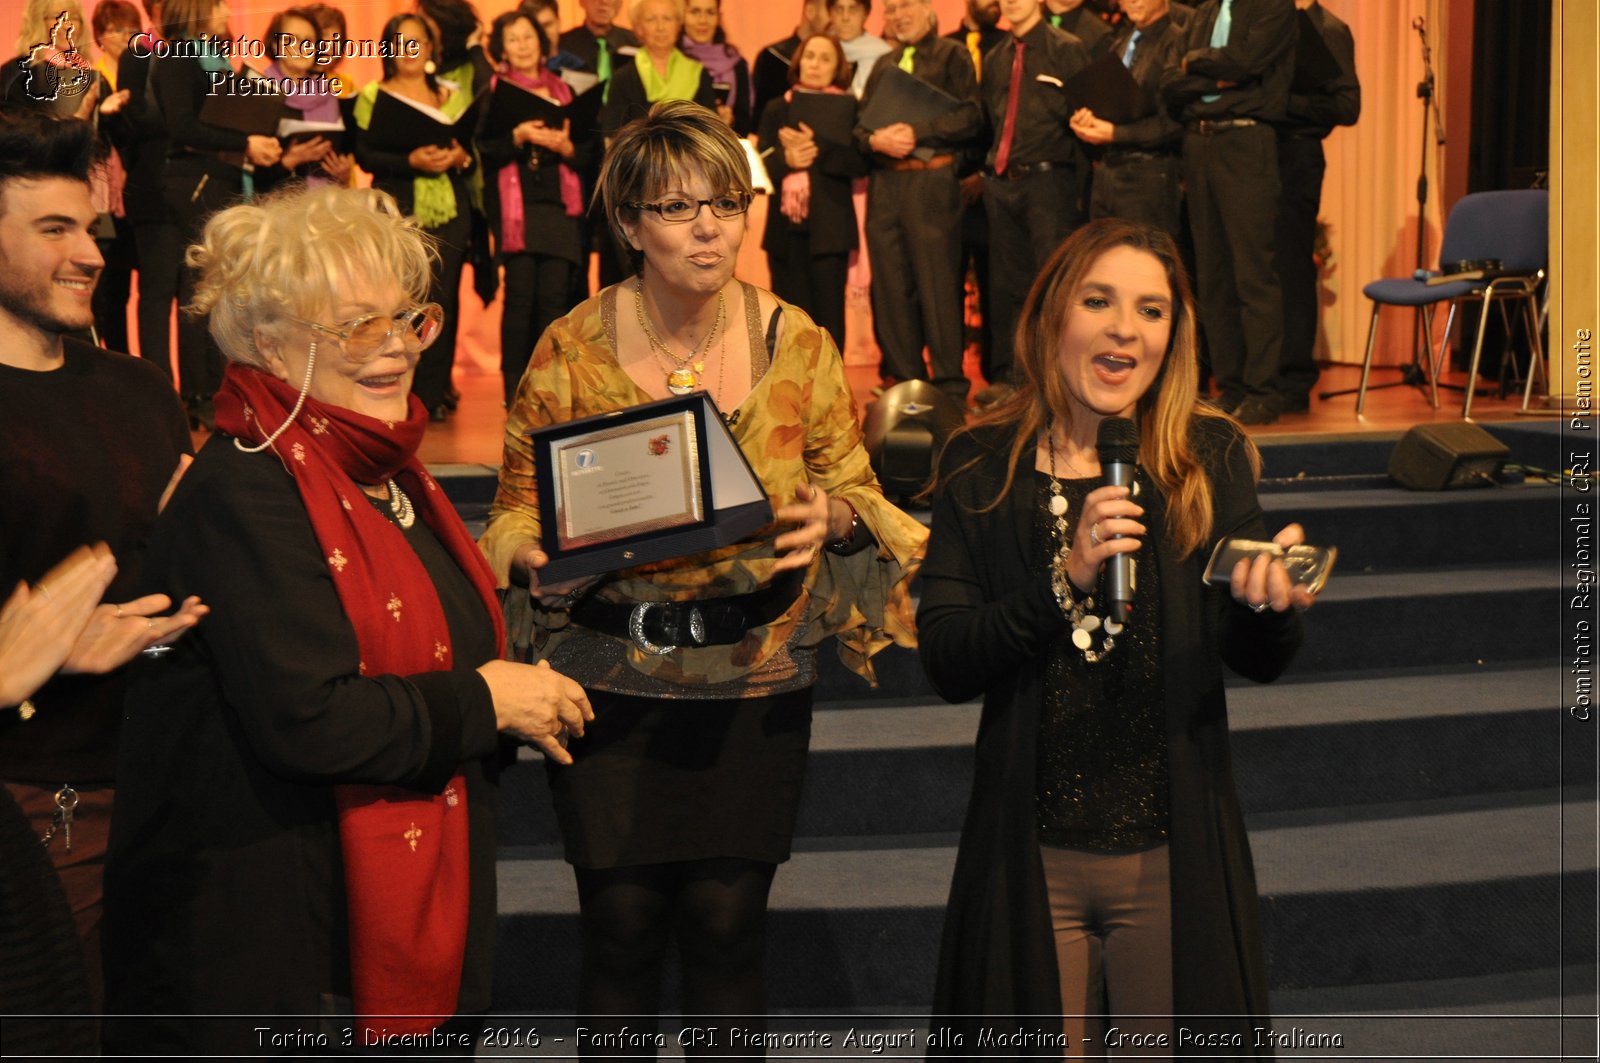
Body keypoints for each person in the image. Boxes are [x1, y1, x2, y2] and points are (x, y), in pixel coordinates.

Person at [100, 185, 593, 1055]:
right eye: (358, 325)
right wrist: (488, 702)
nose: (398, 347)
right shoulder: (246, 488)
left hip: (385, 920)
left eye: (408, 318)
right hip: (281, 954)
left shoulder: (387, 472)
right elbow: (312, 722)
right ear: (264, 339)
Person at [479, 99, 925, 1043]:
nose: (710, 227)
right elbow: (515, 505)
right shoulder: (569, 345)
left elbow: (854, 483)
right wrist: (530, 555)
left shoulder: (795, 338)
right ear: (630, 224)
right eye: (679, 209)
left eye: (726, 201)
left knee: (728, 931)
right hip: (606, 671)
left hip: (753, 668)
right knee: (621, 929)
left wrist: (835, 514)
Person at [919, 217, 1317, 1054]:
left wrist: (1268, 604)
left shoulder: (1206, 455)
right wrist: (1064, 579)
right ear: (1051, 315)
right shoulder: (979, 465)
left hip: (1172, 853)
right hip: (1028, 856)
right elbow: (949, 658)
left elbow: (1256, 659)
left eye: (1151, 310)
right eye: (1099, 301)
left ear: (1174, 334)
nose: (1125, 330)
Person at [0, 108, 202, 1017]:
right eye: (54, 229)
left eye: (92, 226)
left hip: (176, 795)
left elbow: (176, 571)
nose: (90, 252)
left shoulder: (138, 387)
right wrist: (23, 662)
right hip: (35, 810)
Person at [150, 0, 296, 428]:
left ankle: (222, 390)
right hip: (195, 184)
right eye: (217, 4)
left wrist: (255, 136)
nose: (226, 11)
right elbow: (183, 126)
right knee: (201, 292)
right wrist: (244, 141)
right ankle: (200, 395)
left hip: (225, 180)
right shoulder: (177, 54)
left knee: (223, 292)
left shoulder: (216, 57)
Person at [1160, 0, 1297, 425]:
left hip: (1246, 141)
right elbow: (1168, 83)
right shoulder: (1204, 11)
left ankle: (1262, 391)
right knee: (1213, 274)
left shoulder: (1272, 7)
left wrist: (1194, 63)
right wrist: (1200, 72)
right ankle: (1231, 386)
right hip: (1199, 144)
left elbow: (1244, 62)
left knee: (1252, 273)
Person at [854, 0, 982, 406]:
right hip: (886, 183)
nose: (898, 16)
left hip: (932, 182)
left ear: (928, 10)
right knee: (891, 286)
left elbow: (971, 116)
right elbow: (859, 127)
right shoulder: (884, 63)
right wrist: (875, 140)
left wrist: (915, 130)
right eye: (890, 10)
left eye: (905, 6)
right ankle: (906, 378)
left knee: (938, 282)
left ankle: (949, 387)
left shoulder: (953, 54)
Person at [354, 11, 475, 424]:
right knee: (403, 301)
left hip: (451, 206)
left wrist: (460, 156)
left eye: (418, 42)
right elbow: (366, 154)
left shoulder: (449, 93)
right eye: (401, 42)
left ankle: (432, 393)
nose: (410, 51)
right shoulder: (374, 95)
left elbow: (473, 148)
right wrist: (411, 158)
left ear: (430, 49)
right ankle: (393, 388)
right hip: (400, 208)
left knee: (445, 300)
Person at [979, 0, 1092, 396]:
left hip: (1050, 180)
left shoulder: (1067, 48)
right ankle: (1021, 382)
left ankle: (1059, 381)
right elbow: (992, 119)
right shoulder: (995, 56)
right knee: (1012, 286)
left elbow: (1085, 117)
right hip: (1003, 181)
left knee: (1054, 284)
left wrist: (1081, 191)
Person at [479, 9, 589, 406]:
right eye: (513, 39)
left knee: (556, 298)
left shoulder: (564, 90)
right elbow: (484, 149)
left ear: (541, 43)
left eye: (528, 37)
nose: (523, 45)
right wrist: (516, 135)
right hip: (516, 210)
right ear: (500, 47)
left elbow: (588, 152)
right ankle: (514, 386)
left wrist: (568, 148)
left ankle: (550, 380)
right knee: (521, 297)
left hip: (558, 206)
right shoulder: (494, 91)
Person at [1273, 0, 1358, 414]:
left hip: (1298, 154)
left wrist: (1284, 104)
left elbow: (1347, 105)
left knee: (1291, 266)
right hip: (1259, 154)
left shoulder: (1329, 28)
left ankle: (1294, 379)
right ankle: (1263, 373)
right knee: (1260, 268)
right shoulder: (1267, 20)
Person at [758, 33, 867, 350]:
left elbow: (860, 162)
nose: (815, 64)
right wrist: (787, 158)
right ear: (798, 62)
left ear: (838, 68)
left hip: (830, 230)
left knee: (828, 323)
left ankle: (831, 392)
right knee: (786, 319)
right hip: (784, 231)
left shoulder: (850, 108)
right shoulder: (776, 108)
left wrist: (817, 147)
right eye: (809, 56)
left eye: (825, 58)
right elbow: (761, 165)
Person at [1071, 0, 1190, 239]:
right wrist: (1086, 119)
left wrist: (1115, 133)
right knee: (1104, 260)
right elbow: (1110, 104)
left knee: (1147, 260)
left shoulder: (1178, 41)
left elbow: (1176, 121)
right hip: (1108, 171)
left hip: (1150, 173)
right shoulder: (1120, 42)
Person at [260, 5, 353, 187]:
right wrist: (290, 161)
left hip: (326, 205)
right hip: (276, 206)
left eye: (309, 41)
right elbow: (247, 173)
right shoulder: (260, 90)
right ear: (275, 44)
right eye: (292, 39)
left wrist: (343, 174)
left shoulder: (328, 93)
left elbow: (339, 157)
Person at [600, 0, 719, 132]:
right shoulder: (623, 78)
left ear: (679, 24)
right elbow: (612, 133)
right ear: (638, 28)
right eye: (651, 19)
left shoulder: (698, 74)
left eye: (667, 19)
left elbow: (710, 130)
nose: (660, 27)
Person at [752, 0, 831, 126]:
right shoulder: (773, 57)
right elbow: (757, 117)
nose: (838, 18)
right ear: (810, 11)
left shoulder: (839, 61)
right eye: (831, 8)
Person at [680, 0, 754, 135]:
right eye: (695, 12)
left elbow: (746, 123)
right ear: (682, 14)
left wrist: (729, 120)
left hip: (721, 147)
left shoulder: (736, 62)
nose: (703, 20)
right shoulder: (671, 58)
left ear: (719, 17)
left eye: (710, 13)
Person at [830, 0, 893, 99]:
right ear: (830, 14)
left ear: (865, 14)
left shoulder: (884, 55)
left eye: (853, 10)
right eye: (839, 10)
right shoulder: (821, 49)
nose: (845, 17)